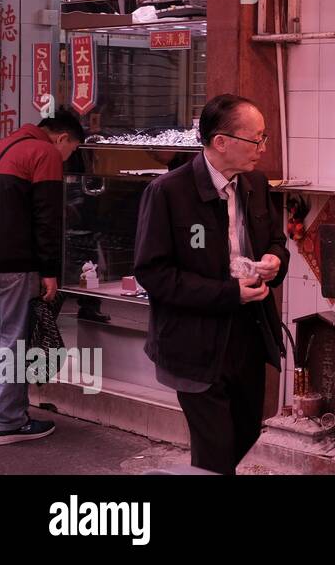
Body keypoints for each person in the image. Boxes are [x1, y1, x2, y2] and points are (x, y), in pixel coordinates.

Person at [134, 94, 289, 474]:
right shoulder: (169, 192)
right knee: (215, 453)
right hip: (194, 342)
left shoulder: (254, 183)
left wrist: (274, 261)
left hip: (249, 334)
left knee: (248, 432)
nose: (263, 148)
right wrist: (228, 294)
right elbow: (153, 272)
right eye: (257, 139)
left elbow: (276, 241)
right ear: (221, 142)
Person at [0, 110, 85, 444]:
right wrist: (50, 271)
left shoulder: (6, 144)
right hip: (14, 263)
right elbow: (47, 216)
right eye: (73, 150)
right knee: (12, 339)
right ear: (62, 138)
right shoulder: (44, 152)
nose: (68, 157)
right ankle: (7, 421)